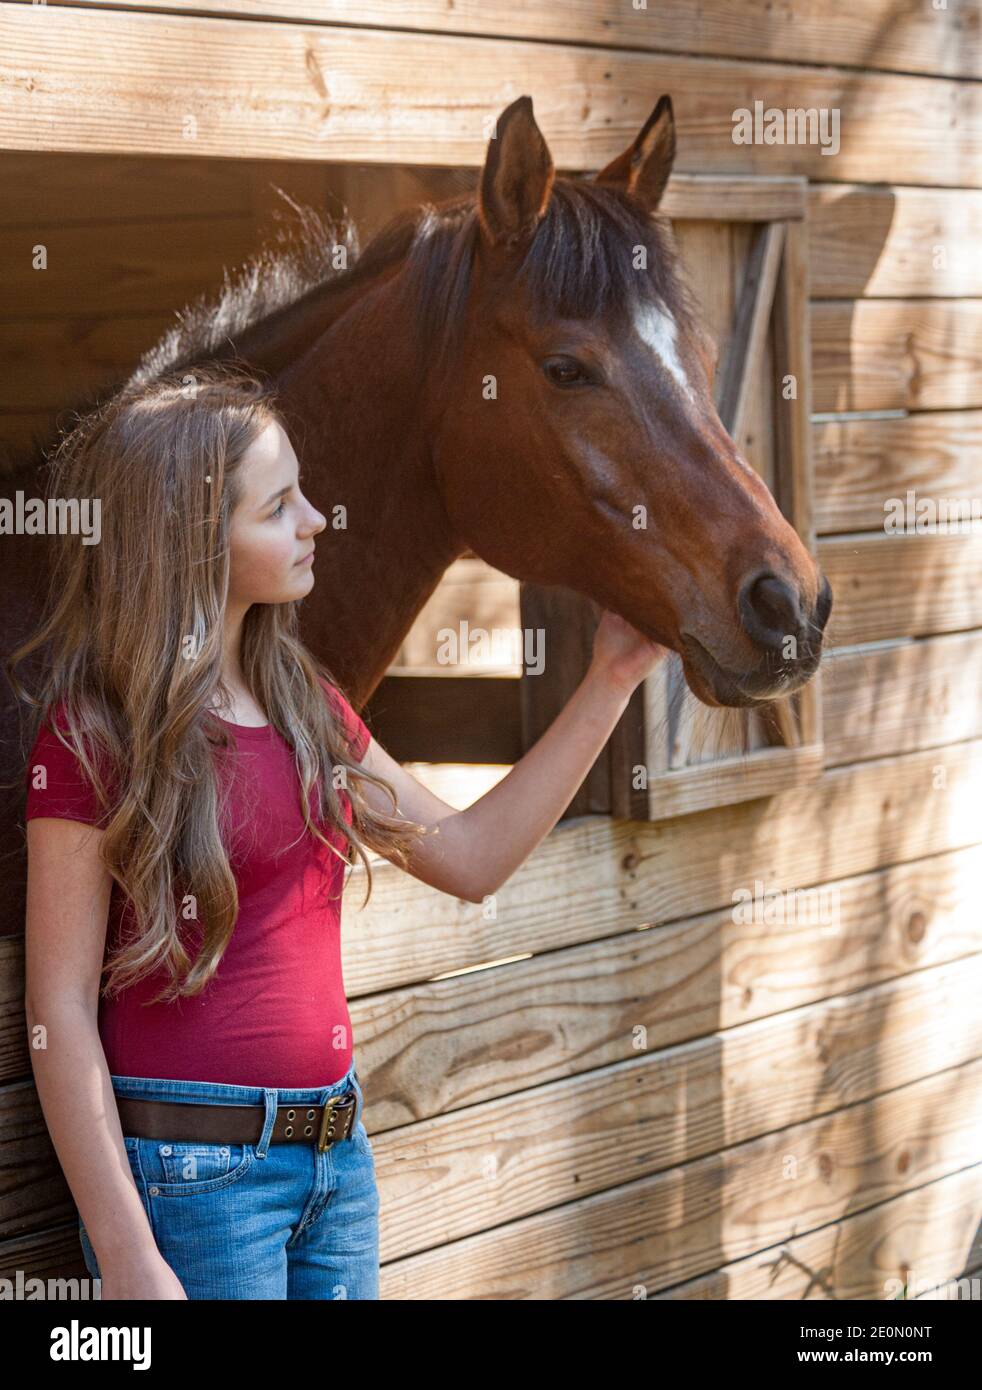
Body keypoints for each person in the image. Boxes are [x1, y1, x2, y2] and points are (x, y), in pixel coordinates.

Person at [11, 361, 668, 1301]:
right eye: (279, 508)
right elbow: (59, 1013)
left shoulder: (304, 705)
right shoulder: (92, 733)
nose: (317, 520)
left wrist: (610, 679)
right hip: (196, 1183)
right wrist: (124, 1251)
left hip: (335, 1159)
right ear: (195, 540)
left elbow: (471, 858)